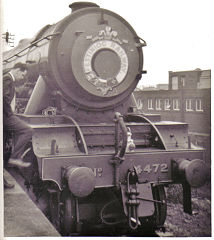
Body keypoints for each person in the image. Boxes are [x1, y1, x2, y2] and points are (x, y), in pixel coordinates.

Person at [3, 63, 33, 187]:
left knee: (3, 148)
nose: (22, 77)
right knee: (27, 130)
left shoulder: (7, 79)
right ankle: (15, 157)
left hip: (4, 116)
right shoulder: (7, 79)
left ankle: (2, 181)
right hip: (5, 116)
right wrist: (10, 114)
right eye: (22, 73)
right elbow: (3, 97)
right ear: (16, 70)